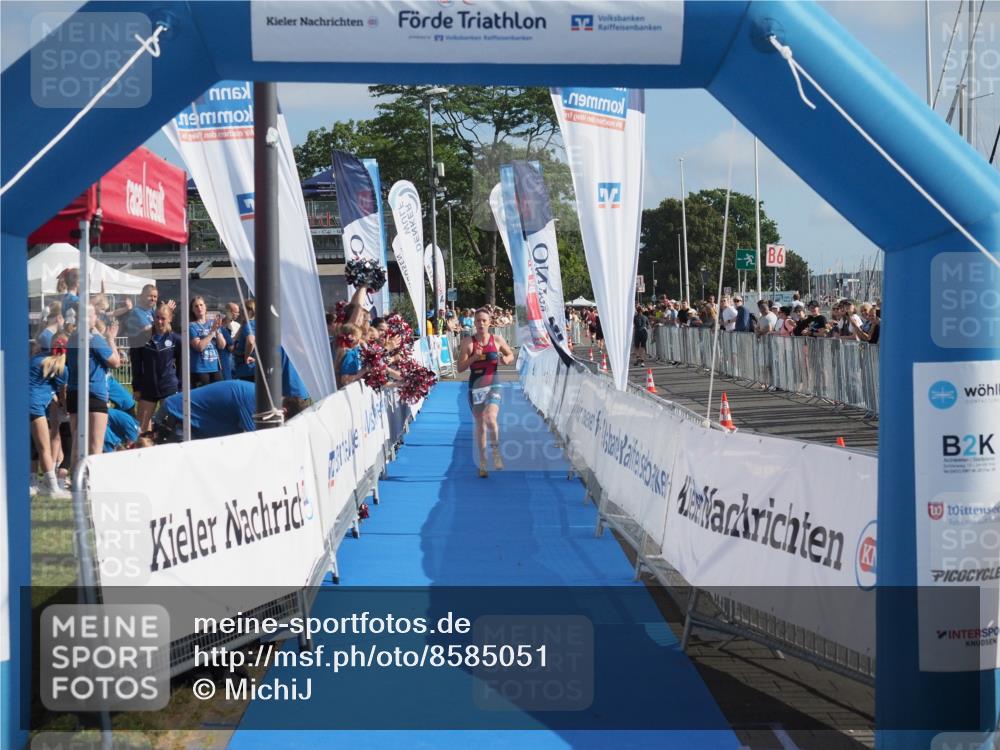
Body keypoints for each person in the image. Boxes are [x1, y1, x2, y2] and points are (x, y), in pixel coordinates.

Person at [457, 308, 514, 478]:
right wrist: (474, 357)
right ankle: (483, 461)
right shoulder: (468, 342)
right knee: (480, 423)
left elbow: (510, 354)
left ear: (490, 323)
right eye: (478, 321)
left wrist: (506, 359)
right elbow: (460, 368)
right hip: (476, 386)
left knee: (491, 418)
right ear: (474, 323)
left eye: (484, 320)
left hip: (493, 383)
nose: (481, 323)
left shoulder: (497, 339)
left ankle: (495, 452)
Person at [66, 304, 121, 458]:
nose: (95, 318)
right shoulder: (94, 339)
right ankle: (90, 474)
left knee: (77, 445)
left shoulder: (72, 338)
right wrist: (111, 339)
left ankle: (75, 473)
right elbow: (115, 362)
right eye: (92, 315)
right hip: (93, 394)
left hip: (74, 392)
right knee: (95, 447)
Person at [29, 334, 70, 497]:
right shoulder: (62, 369)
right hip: (35, 406)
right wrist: (65, 408)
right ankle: (52, 488)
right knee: (44, 448)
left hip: (23, 404)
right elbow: (63, 393)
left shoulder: (37, 358)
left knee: (32, 444)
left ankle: (32, 483)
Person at [133, 302, 183, 433]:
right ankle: (145, 444)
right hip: (148, 388)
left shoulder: (176, 339)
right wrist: (136, 387)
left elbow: (182, 365)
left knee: (169, 428)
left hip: (169, 388)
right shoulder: (142, 338)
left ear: (170, 319)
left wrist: (180, 387)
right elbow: (136, 364)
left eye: (163, 318)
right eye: (157, 317)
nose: (159, 321)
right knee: (141, 429)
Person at [189, 296, 226, 387]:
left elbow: (222, 345)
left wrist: (217, 330)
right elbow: (199, 347)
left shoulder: (212, 323)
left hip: (215, 368)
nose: (199, 308)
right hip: (200, 369)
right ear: (192, 310)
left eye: (201, 305)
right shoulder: (191, 326)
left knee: (218, 393)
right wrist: (212, 332)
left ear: (205, 307)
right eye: (196, 306)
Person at [233, 298, 257, 382]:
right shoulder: (258, 324)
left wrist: (246, 357)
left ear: (250, 311)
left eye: (243, 310)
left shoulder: (249, 325)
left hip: (246, 369)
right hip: (255, 368)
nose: (241, 313)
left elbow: (251, 341)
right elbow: (234, 339)